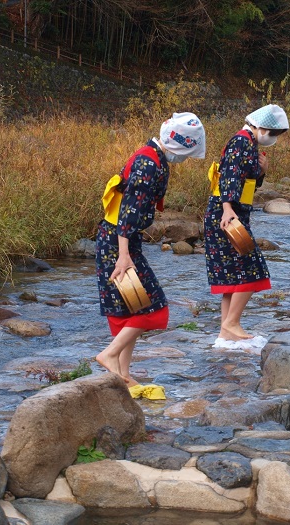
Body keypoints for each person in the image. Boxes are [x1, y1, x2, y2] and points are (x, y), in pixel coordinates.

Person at [95, 112, 206, 386]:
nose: (186, 158)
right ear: (181, 144)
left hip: (118, 238)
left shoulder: (154, 157)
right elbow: (129, 212)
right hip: (119, 241)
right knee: (154, 309)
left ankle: (123, 375)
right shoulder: (149, 163)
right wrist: (124, 256)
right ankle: (109, 356)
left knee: (129, 308)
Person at [204, 104, 289, 342]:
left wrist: (262, 172)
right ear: (260, 127)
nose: (272, 138)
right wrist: (228, 208)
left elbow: (246, 179)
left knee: (233, 274)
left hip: (231, 213)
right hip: (228, 215)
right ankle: (231, 324)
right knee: (252, 270)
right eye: (272, 133)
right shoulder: (241, 141)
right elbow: (229, 175)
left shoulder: (249, 143)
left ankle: (226, 330)